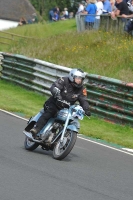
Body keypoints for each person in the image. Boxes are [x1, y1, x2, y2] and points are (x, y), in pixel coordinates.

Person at [30, 69, 91, 138]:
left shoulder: (82, 89)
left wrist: (86, 109)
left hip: (66, 108)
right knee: (51, 111)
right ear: (72, 77)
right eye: (78, 78)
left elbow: (84, 100)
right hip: (54, 103)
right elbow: (55, 86)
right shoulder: (63, 80)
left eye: (81, 79)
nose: (79, 80)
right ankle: (36, 129)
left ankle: (56, 138)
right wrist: (56, 92)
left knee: (72, 120)